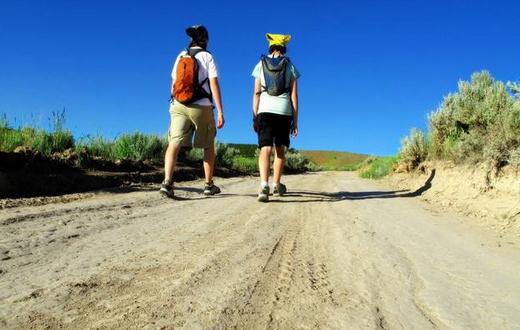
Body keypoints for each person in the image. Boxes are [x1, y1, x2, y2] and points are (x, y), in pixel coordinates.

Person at [159, 25, 225, 198]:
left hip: (178, 104)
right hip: (201, 106)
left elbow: (174, 83)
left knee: (174, 142)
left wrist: (174, 102)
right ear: (205, 40)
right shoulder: (207, 56)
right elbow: (214, 84)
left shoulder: (181, 55)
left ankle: (167, 182)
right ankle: (208, 184)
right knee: (208, 144)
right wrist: (220, 110)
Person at [252, 33, 300, 202]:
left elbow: (256, 93)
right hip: (284, 111)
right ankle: (276, 185)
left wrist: (255, 116)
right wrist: (295, 121)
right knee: (280, 150)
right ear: (284, 48)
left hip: (265, 110)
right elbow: (294, 97)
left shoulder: (260, 64)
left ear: (270, 47)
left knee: (265, 148)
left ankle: (264, 185)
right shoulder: (290, 66)